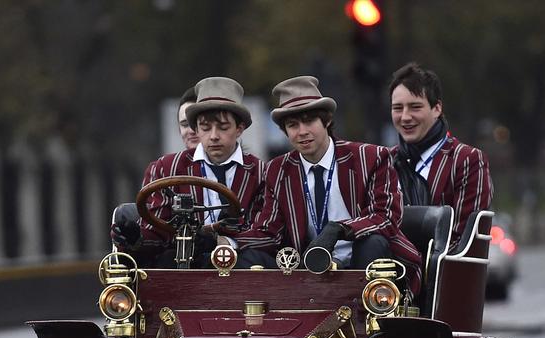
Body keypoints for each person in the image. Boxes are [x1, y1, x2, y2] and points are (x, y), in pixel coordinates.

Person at [233, 76, 422, 294]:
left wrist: (341, 229)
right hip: (308, 269)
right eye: (293, 125)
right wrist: (226, 241)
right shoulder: (278, 169)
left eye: (309, 121)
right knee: (249, 257)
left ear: (327, 121)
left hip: (364, 262)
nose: (302, 131)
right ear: (285, 131)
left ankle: (369, 318)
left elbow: (386, 218)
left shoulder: (370, 157)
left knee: (373, 242)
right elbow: (269, 232)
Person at [113, 77, 265, 265]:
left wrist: (225, 242)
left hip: (240, 271)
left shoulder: (261, 172)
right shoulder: (166, 168)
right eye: (205, 128)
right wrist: (135, 237)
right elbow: (157, 232)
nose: (214, 136)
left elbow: (266, 233)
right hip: (183, 267)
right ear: (196, 129)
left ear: (240, 128)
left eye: (223, 127)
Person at [389, 62, 493, 246]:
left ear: (437, 108)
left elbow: (465, 240)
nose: (405, 117)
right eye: (398, 108)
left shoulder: (467, 160)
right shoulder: (385, 162)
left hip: (442, 271)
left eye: (415, 107)